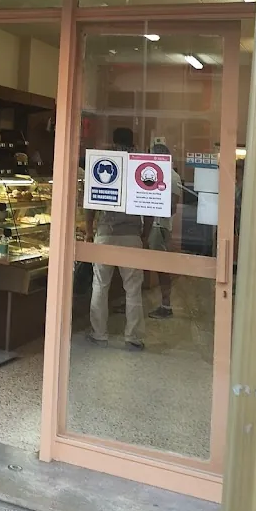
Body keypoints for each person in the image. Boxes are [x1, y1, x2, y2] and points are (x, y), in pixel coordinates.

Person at [85, 127, 145, 351]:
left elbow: (91, 202)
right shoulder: (138, 165)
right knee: (133, 288)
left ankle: (99, 333)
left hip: (106, 232)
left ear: (112, 140)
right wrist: (144, 233)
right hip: (132, 234)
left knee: (100, 285)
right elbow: (147, 205)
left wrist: (90, 230)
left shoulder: (104, 163)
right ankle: (133, 336)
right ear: (133, 141)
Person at [146, 143, 183, 319]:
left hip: (159, 227)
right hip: (149, 225)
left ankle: (166, 305)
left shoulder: (172, 177)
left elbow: (172, 207)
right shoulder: (152, 173)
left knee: (162, 267)